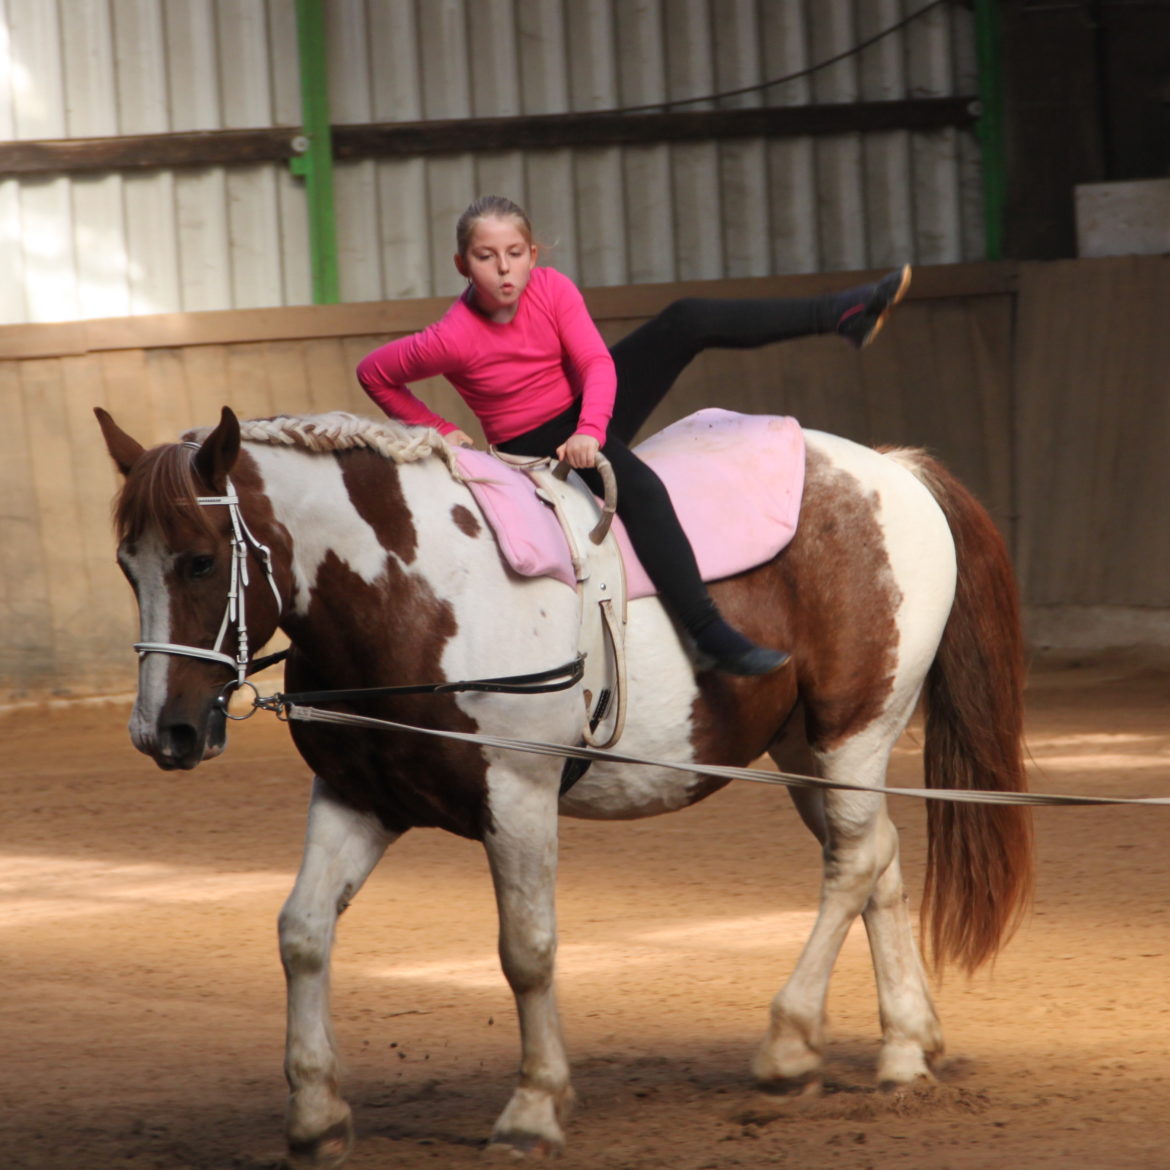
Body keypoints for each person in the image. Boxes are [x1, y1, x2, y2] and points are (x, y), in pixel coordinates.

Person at [357, 195, 910, 677]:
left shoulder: (551, 290)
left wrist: (592, 430)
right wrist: (440, 429)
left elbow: (597, 364)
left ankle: (844, 313)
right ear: (462, 264)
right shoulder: (451, 337)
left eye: (516, 254)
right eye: (486, 257)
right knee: (642, 489)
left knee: (686, 319)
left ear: (533, 254)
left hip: (582, 418)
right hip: (534, 442)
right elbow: (374, 372)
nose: (504, 270)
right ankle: (706, 634)